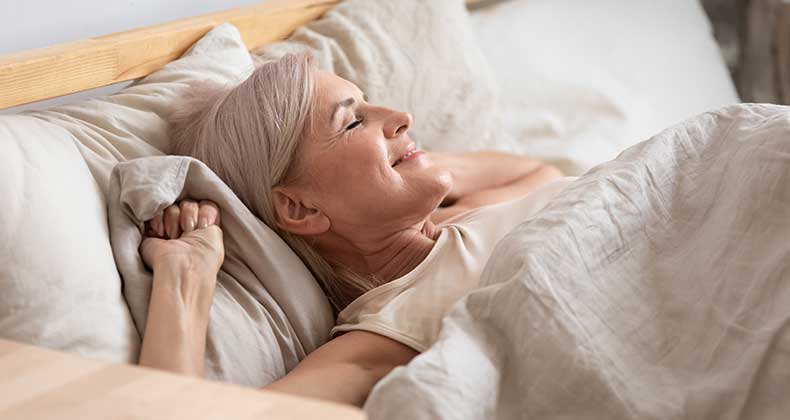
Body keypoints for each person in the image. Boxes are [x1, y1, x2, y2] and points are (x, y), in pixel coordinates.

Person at [137, 53, 569, 407]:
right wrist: (185, 277)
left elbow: (540, 171)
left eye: (368, 104)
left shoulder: (464, 217)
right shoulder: (388, 332)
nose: (402, 116)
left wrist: (414, 162)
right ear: (301, 208)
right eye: (353, 122)